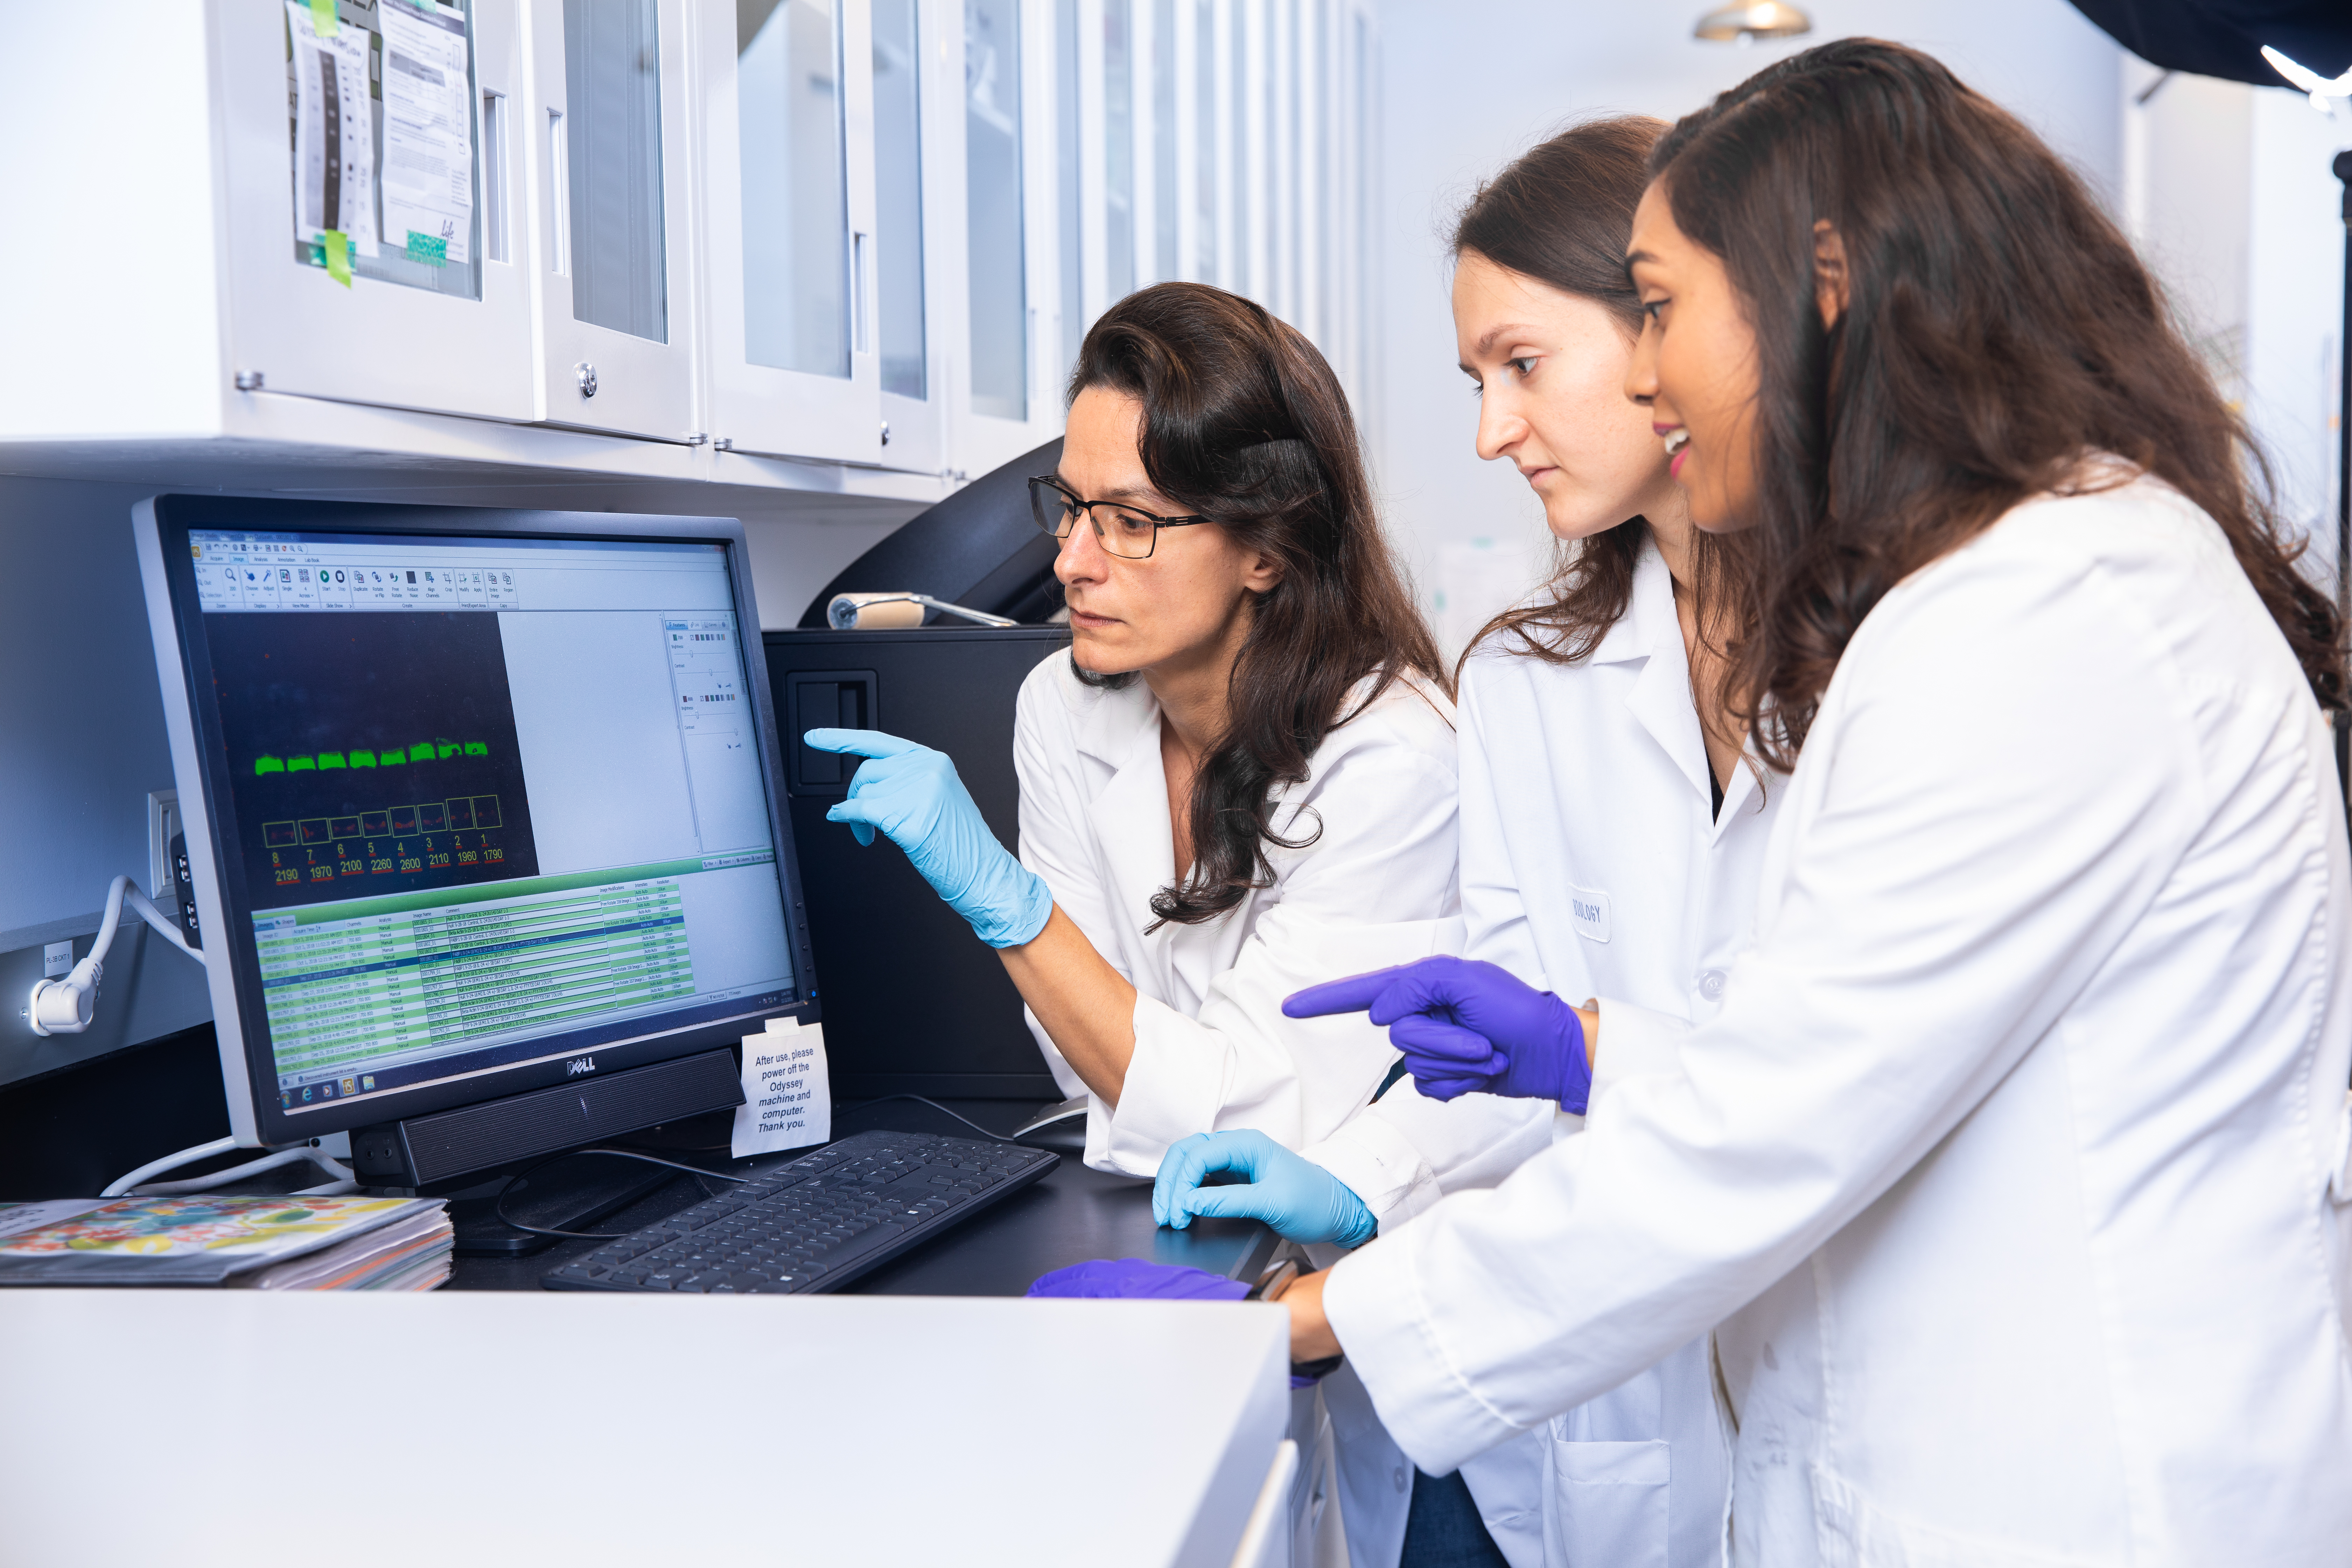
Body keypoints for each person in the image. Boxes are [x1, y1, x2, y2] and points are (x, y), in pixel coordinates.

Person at [1253, 38, 2352, 1566]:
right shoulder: (1987, 590)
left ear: (1821, 282)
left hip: (2072, 1498)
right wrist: (1593, 1056)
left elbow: (1778, 1114)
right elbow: (1835, 1050)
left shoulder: (2051, 607)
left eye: (1660, 305)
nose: (1643, 373)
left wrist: (1319, 1323)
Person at [1156, 118, 1768, 1568]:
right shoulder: (1524, 681)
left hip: (1795, 1362)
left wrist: (1328, 1312)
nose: (1492, 430)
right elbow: (1523, 1045)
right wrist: (1367, 1175)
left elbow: (1797, 1095)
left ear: (1667, 328)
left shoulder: (1871, 661)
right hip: (1575, 1407)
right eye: (1475, 380)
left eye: (1522, 363)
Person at [808, 282, 1461, 1176]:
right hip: (1145, 1195)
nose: (1071, 561)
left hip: (1344, 1247)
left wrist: (1014, 911)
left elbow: (1258, 1120)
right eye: (1071, 507)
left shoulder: (1392, 761)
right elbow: (1086, 1067)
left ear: (1266, 549)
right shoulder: (1062, 705)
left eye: (1130, 522)